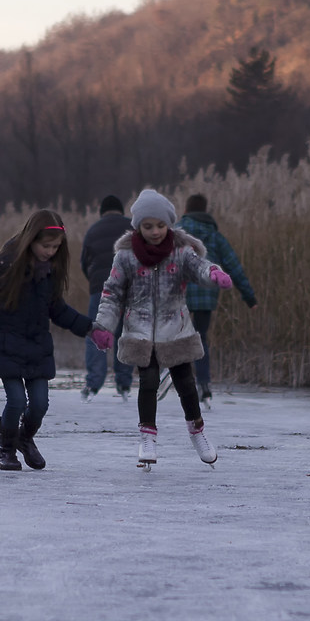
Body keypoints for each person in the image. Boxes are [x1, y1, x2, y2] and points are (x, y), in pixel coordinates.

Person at [0, 210, 94, 471]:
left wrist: (89, 328)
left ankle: (24, 437)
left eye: (56, 247)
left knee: (41, 404)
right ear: (31, 240)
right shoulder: (3, 267)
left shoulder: (49, 273)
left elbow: (58, 310)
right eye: (46, 246)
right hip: (5, 347)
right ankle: (6, 449)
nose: (51, 252)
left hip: (36, 349)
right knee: (17, 401)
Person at [94, 189, 234, 469]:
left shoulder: (180, 253)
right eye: (148, 226)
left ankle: (198, 432)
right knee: (147, 383)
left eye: (160, 225)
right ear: (138, 226)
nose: (155, 231)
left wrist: (214, 274)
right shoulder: (126, 257)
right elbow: (112, 293)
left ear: (168, 224)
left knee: (186, 383)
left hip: (176, 330)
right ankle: (147, 437)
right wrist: (104, 326)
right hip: (140, 331)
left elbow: (199, 267)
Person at [176, 194, 257, 401]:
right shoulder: (214, 236)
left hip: (179, 293)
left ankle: (172, 378)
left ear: (186, 209)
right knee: (200, 337)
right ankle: (204, 385)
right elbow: (233, 267)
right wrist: (249, 297)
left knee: (174, 336)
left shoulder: (176, 233)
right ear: (205, 211)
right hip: (206, 295)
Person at [79, 195, 134, 400]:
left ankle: (93, 384)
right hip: (128, 288)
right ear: (121, 210)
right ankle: (124, 384)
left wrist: (95, 283)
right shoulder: (132, 227)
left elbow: (85, 263)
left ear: (102, 211)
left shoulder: (93, 230)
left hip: (100, 288)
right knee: (125, 334)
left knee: (96, 333)